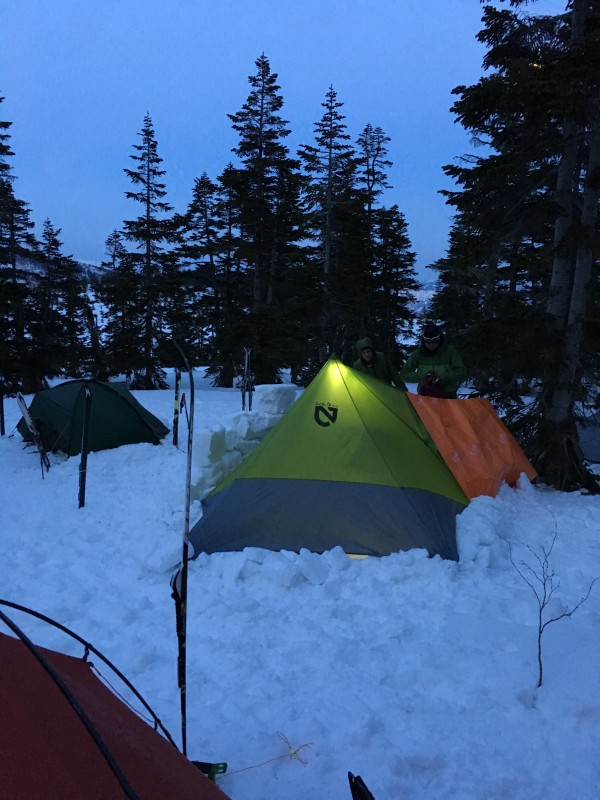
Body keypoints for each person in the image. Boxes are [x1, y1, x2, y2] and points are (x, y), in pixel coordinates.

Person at [399, 323, 466, 399]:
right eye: (428, 341)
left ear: (439, 338)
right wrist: (424, 376)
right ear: (424, 340)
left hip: (448, 397)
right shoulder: (418, 353)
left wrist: (443, 376)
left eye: (434, 340)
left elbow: (462, 372)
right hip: (425, 398)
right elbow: (404, 374)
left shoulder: (450, 351)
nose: (431, 345)